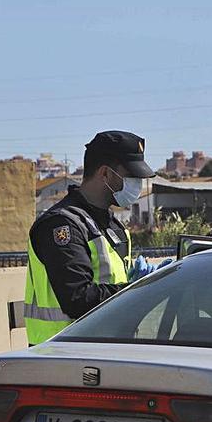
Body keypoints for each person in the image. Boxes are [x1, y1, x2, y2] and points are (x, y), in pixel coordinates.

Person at [24, 130, 160, 346]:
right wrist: (135, 289)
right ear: (105, 174)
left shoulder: (113, 225)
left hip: (106, 348)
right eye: (132, 177)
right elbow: (77, 299)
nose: (138, 186)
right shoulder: (62, 225)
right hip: (62, 354)